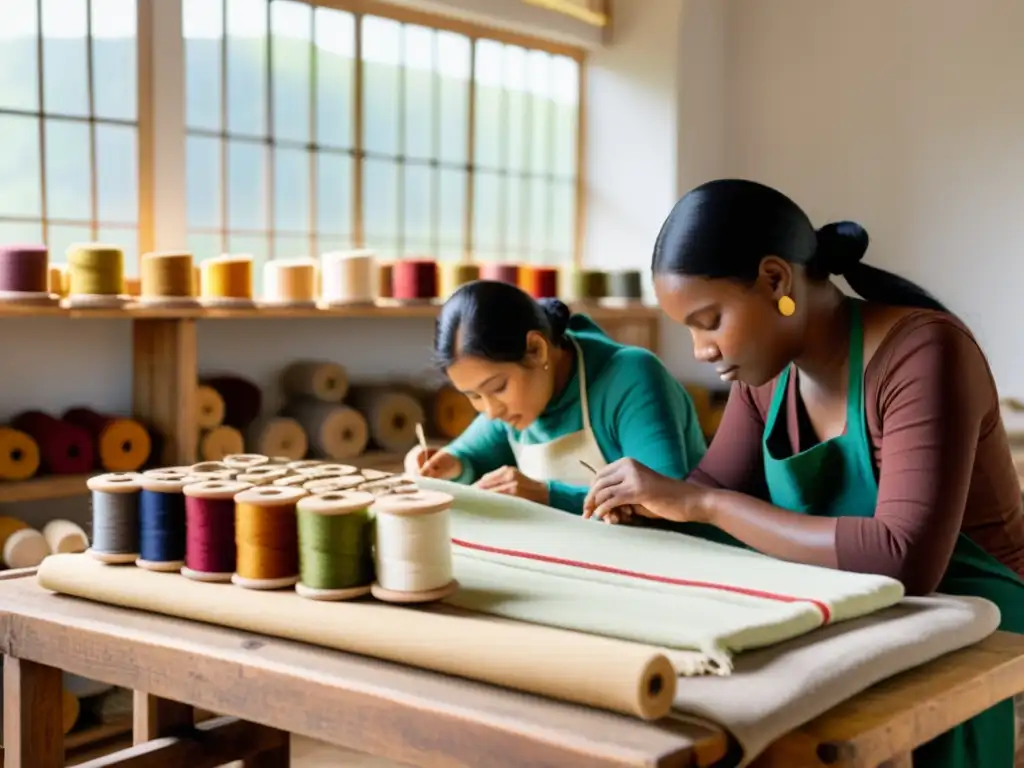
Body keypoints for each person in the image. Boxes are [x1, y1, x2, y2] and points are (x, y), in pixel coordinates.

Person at [581, 178, 1024, 767]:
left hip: (982, 623)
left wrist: (701, 507)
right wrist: (652, 508)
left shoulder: (924, 354)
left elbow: (905, 558)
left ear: (775, 280)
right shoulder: (766, 372)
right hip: (867, 608)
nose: (700, 350)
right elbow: (712, 491)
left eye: (709, 320)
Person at [407, 279, 707, 517]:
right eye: (473, 395)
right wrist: (446, 464)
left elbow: (665, 501)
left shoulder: (632, 377)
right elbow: (469, 455)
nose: (490, 411)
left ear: (537, 350)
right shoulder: (513, 405)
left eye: (498, 387)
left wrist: (548, 495)